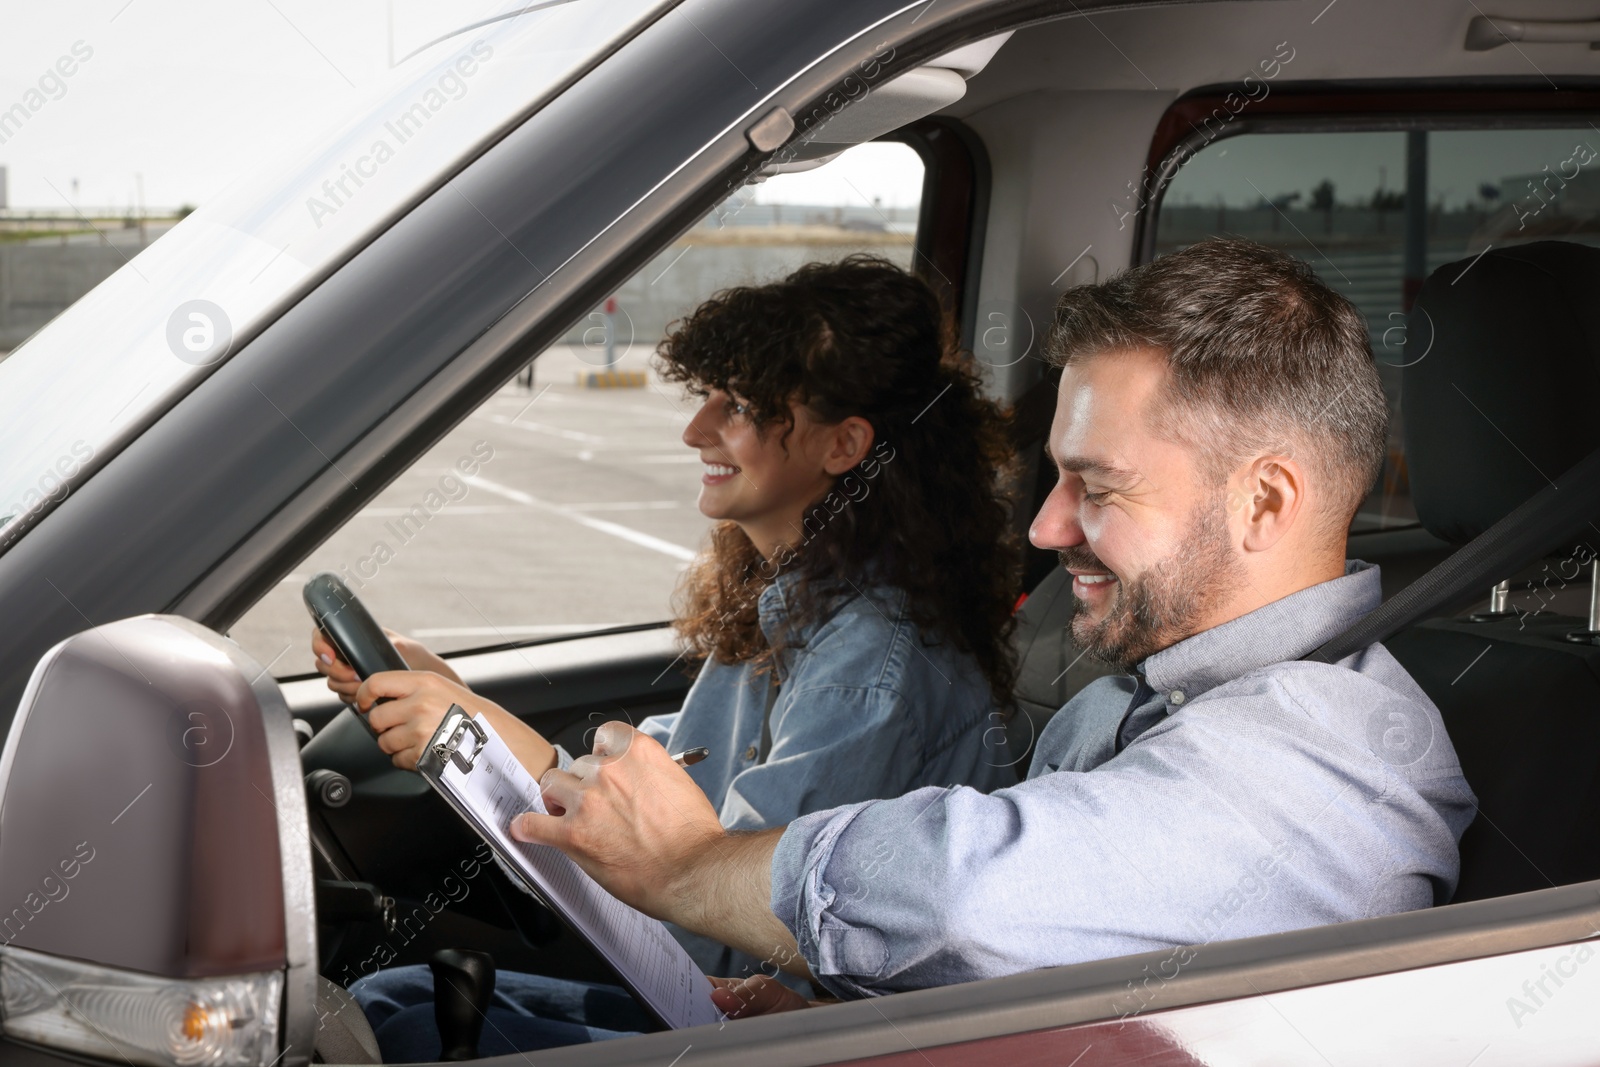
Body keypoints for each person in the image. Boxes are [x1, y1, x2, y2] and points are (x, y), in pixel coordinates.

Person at [508, 237, 1479, 1029]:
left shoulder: (1328, 750)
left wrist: (686, 865)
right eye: (1057, 476)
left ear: (1262, 500)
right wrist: (835, 1006)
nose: (1047, 529)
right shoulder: (1143, 691)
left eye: (1096, 486)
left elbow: (966, 896)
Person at [312, 255, 1023, 1057]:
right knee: (385, 996)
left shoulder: (872, 666)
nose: (696, 429)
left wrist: (472, 723)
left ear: (843, 444)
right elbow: (658, 790)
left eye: (741, 406)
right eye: (707, 398)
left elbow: (732, 938)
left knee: (396, 1023)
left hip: (783, 1031)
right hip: (707, 1000)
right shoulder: (788, 605)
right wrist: (456, 699)